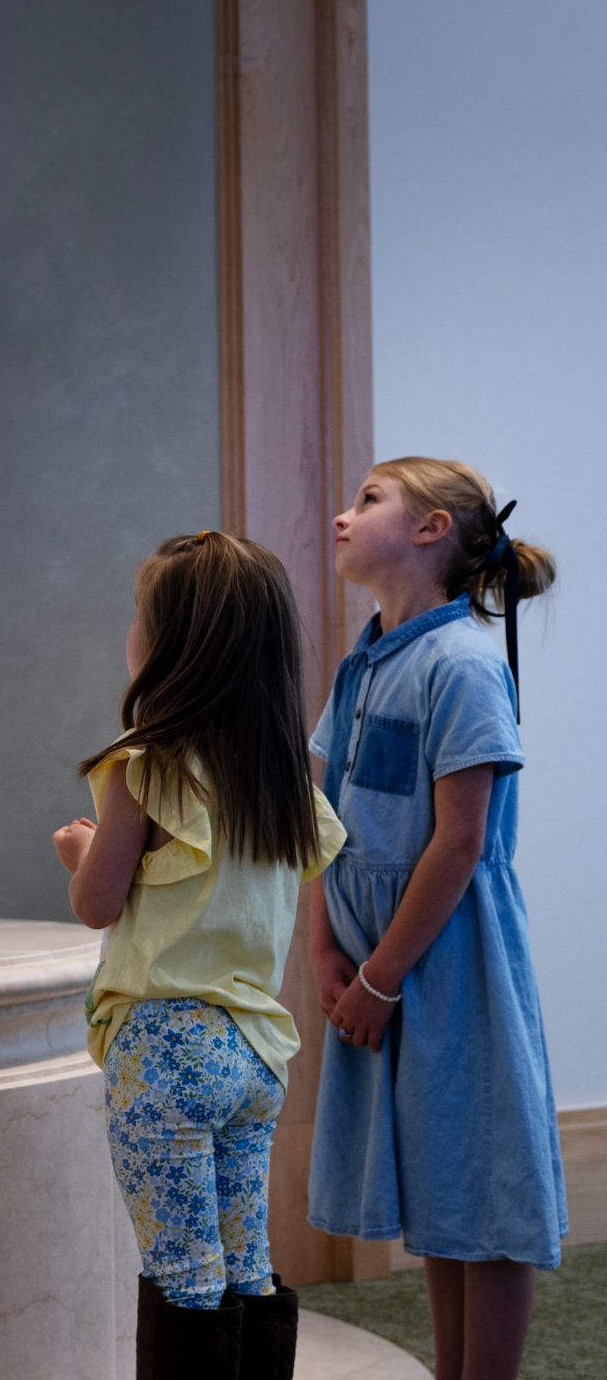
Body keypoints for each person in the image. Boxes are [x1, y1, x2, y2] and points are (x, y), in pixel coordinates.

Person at [54, 532, 345, 1378]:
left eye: (139, 615)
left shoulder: (143, 769)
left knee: (184, 1279)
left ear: (168, 646)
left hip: (166, 1049)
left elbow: (96, 905)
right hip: (257, 1053)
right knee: (244, 1264)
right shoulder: (285, 782)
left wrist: (79, 851)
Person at [309, 459, 567, 1380]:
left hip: (448, 960)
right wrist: (325, 945)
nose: (342, 516)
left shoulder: (461, 665)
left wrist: (381, 978)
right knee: (443, 1190)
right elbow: (323, 818)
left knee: (486, 1197)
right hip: (378, 961)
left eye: (368, 500)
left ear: (430, 532)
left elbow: (458, 846)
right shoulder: (365, 661)